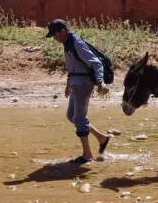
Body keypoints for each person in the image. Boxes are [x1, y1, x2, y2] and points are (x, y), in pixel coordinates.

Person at [45, 19, 111, 164]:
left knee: (79, 119)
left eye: (55, 35)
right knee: (71, 116)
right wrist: (68, 84)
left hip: (83, 85)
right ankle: (101, 138)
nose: (54, 39)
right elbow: (73, 67)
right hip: (76, 84)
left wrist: (100, 82)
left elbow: (96, 63)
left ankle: (87, 155)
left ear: (62, 32)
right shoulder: (66, 43)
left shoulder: (76, 43)